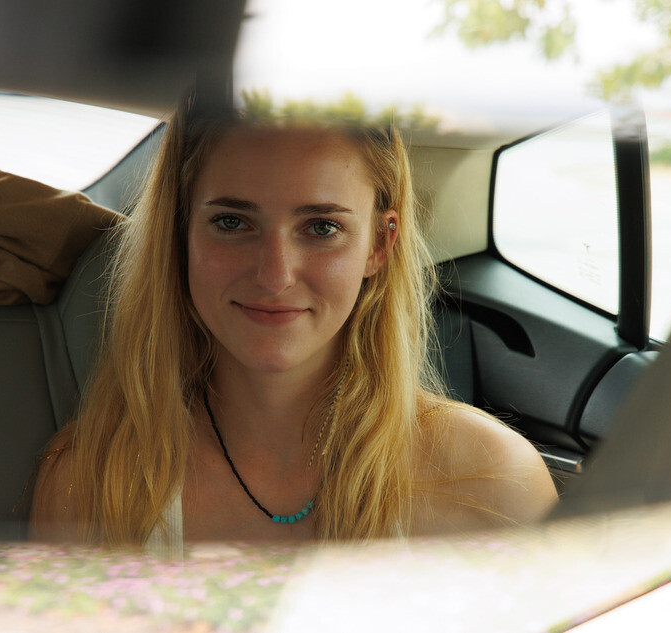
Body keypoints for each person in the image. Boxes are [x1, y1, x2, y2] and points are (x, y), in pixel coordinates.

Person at [29, 92, 557, 552]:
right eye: (231, 222)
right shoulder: (91, 482)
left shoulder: (494, 482)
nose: (275, 276)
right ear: (180, 234)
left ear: (380, 244)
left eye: (321, 227)